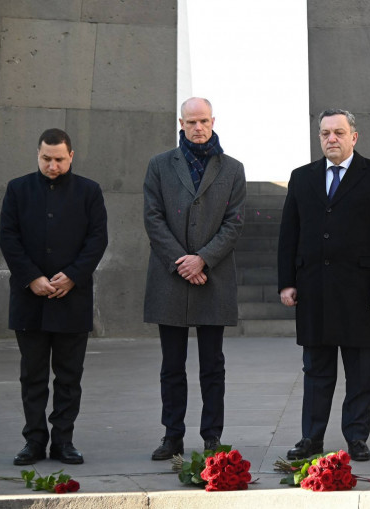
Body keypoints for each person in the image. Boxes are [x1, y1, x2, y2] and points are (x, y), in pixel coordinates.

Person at [278, 109, 370, 462]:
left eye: (338, 132)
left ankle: (357, 437)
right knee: (316, 371)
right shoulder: (302, 178)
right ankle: (311, 438)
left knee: (360, 372)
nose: (331, 138)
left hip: (362, 292)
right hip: (314, 290)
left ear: (353, 137)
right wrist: (287, 282)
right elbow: (289, 235)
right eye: (325, 133)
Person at [144, 97, 246, 460]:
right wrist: (181, 262)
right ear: (181, 124)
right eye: (191, 122)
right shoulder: (159, 166)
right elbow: (153, 219)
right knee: (171, 365)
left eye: (203, 121)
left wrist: (202, 260)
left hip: (213, 279)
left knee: (212, 365)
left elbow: (233, 224)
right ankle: (172, 436)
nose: (198, 127)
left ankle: (212, 437)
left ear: (213, 121)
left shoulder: (233, 169)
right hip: (169, 279)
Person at [0, 128, 108, 465]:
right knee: (32, 376)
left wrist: (73, 276)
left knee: (69, 376)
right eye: (46, 158)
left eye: (60, 159)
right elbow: (8, 238)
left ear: (71, 156)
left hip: (72, 300)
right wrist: (31, 277)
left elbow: (97, 239)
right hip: (29, 299)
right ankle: (33, 442)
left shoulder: (89, 191)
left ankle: (63, 441)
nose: (53, 165)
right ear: (37, 154)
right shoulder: (17, 189)